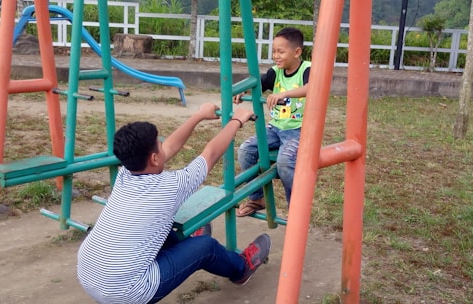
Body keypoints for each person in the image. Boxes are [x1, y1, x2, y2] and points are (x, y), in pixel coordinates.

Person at [77, 103, 271, 304]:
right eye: (158, 145)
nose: (164, 146)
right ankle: (241, 268)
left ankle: (185, 247)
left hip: (89, 274)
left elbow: (168, 147)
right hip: (128, 292)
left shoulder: (125, 174)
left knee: (160, 227)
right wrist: (237, 120)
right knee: (206, 247)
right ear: (153, 158)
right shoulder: (172, 185)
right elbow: (211, 153)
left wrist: (198, 116)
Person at [233, 27, 311, 217]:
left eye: (281, 51)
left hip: (299, 129)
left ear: (297, 52)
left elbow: (312, 87)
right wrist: (245, 90)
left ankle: (296, 209)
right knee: (246, 150)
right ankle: (256, 197)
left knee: (285, 162)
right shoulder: (275, 72)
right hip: (275, 128)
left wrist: (284, 93)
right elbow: (260, 83)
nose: (276, 56)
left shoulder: (307, 69)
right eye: (274, 51)